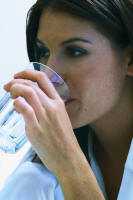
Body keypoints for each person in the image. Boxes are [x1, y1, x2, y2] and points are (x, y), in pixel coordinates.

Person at [1, 0, 133, 199]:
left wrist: (68, 162)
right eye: (44, 52)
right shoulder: (36, 179)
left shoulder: (62, 162)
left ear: (130, 59)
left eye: (75, 51)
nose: (47, 74)